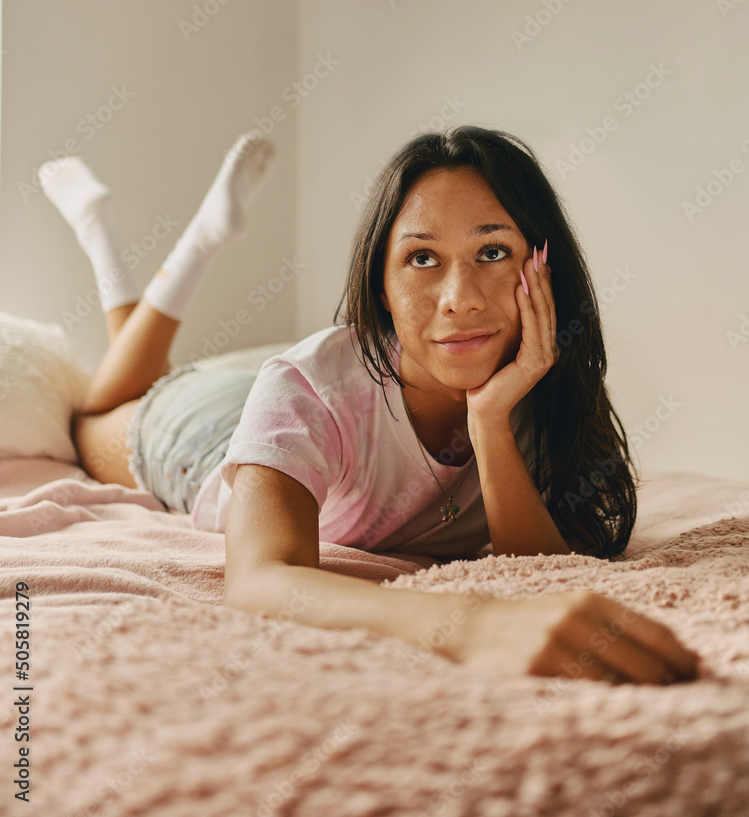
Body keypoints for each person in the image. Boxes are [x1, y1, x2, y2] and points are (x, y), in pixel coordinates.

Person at [40, 125, 700, 686]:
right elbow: (262, 578)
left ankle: (122, 236)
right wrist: (469, 624)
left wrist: (489, 418)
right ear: (379, 286)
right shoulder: (305, 387)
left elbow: (538, 565)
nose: (459, 297)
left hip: (324, 395)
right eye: (421, 259)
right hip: (208, 433)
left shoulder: (536, 381)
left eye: (492, 252)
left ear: (540, 267)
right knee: (96, 413)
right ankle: (159, 241)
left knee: (116, 387)